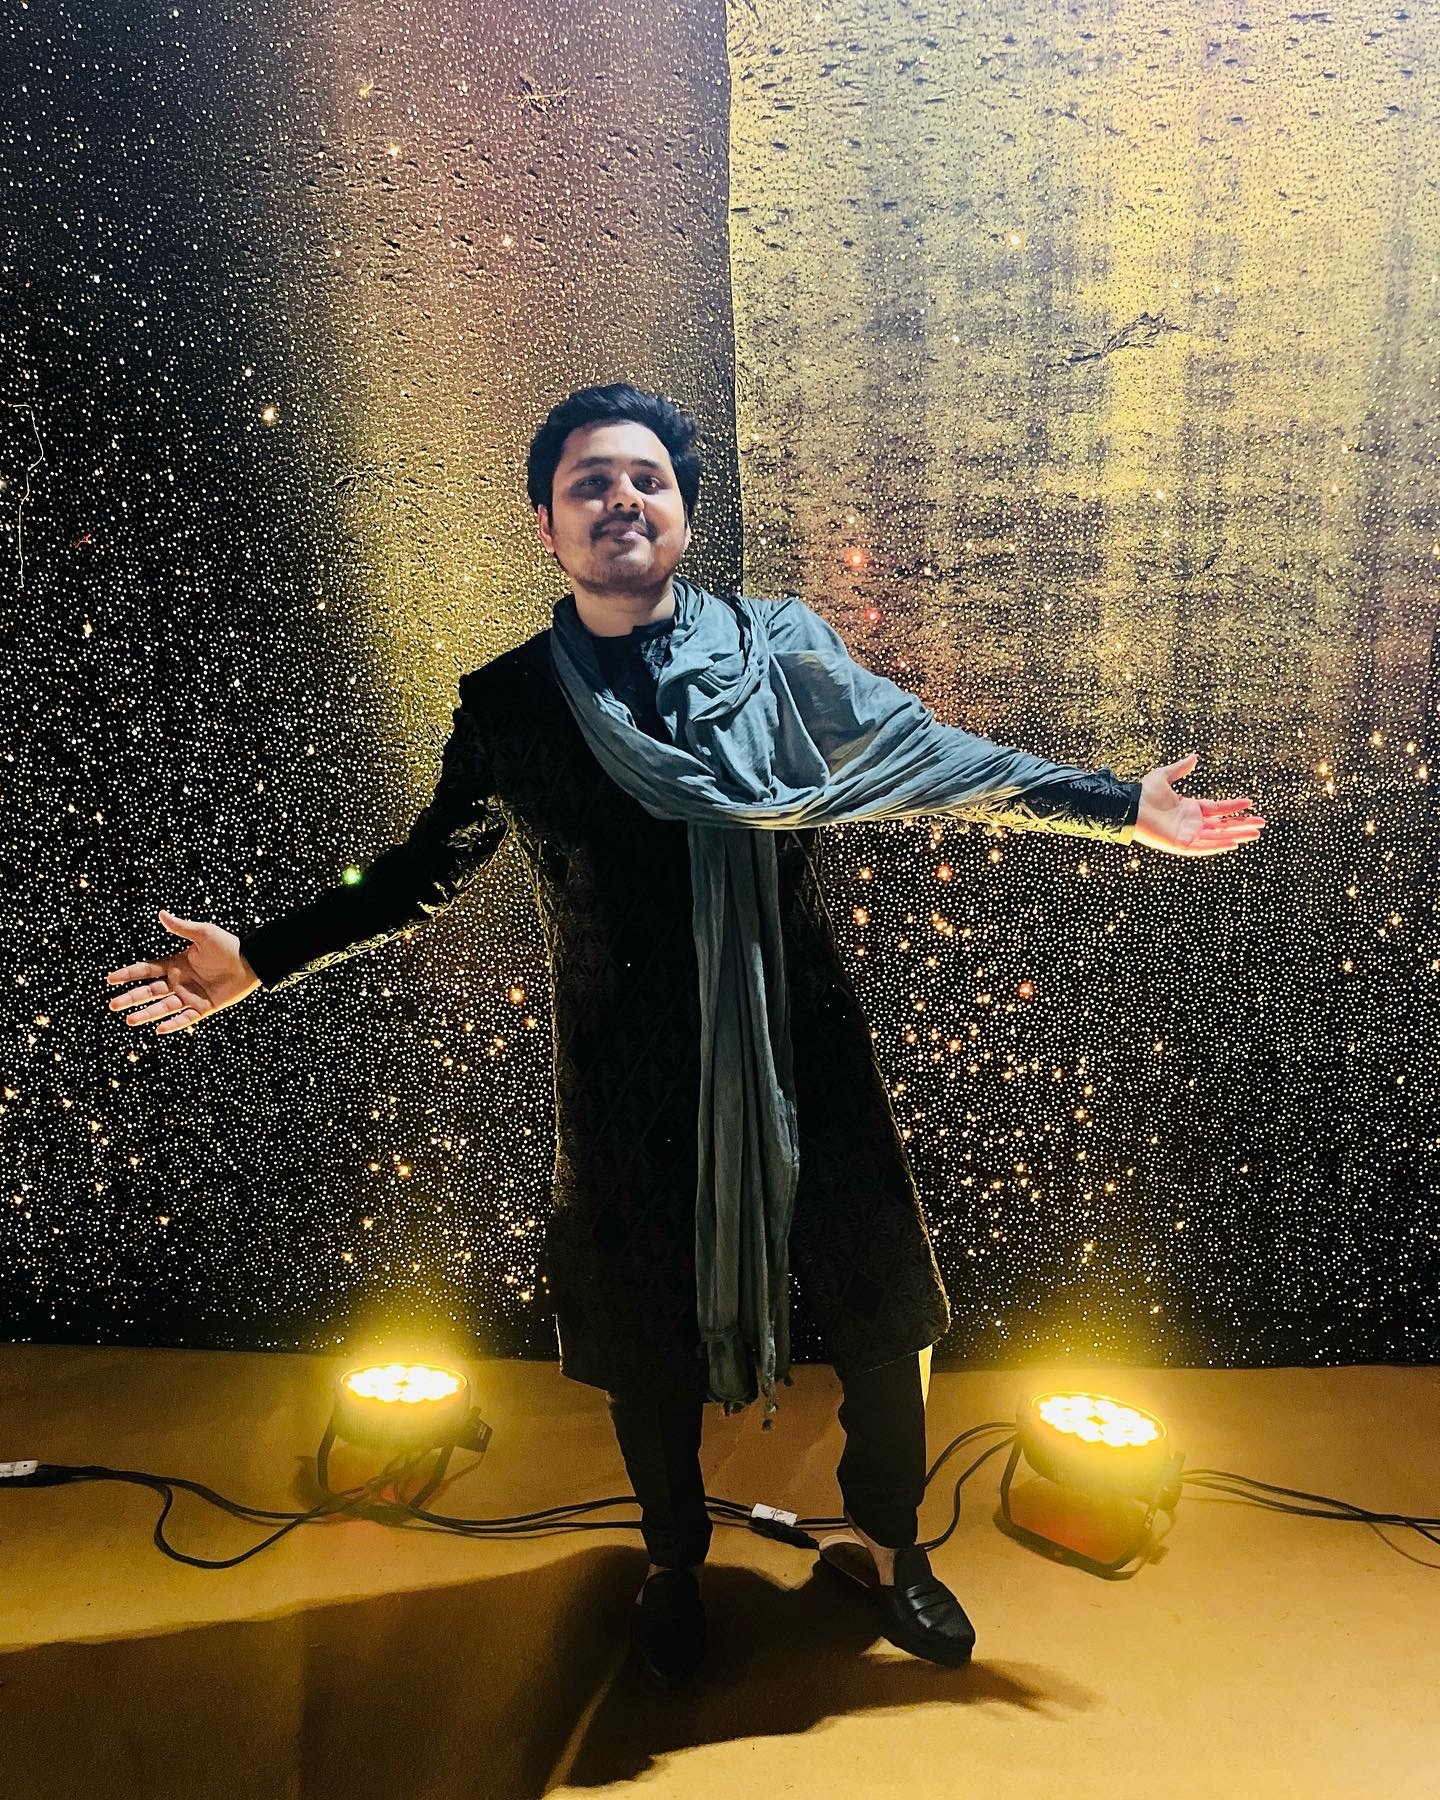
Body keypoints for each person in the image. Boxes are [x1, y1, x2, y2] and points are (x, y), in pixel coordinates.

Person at [105, 383, 1264, 1690]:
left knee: (886, 1319)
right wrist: (259, 956)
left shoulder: (782, 653)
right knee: (643, 1343)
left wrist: (1115, 805)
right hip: (627, 1076)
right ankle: (672, 1565)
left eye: (646, 479)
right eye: (589, 482)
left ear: (683, 513)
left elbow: (931, 758)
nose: (622, 500)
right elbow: (421, 874)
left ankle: (893, 1546)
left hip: (799, 1052)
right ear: (547, 525)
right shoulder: (511, 705)